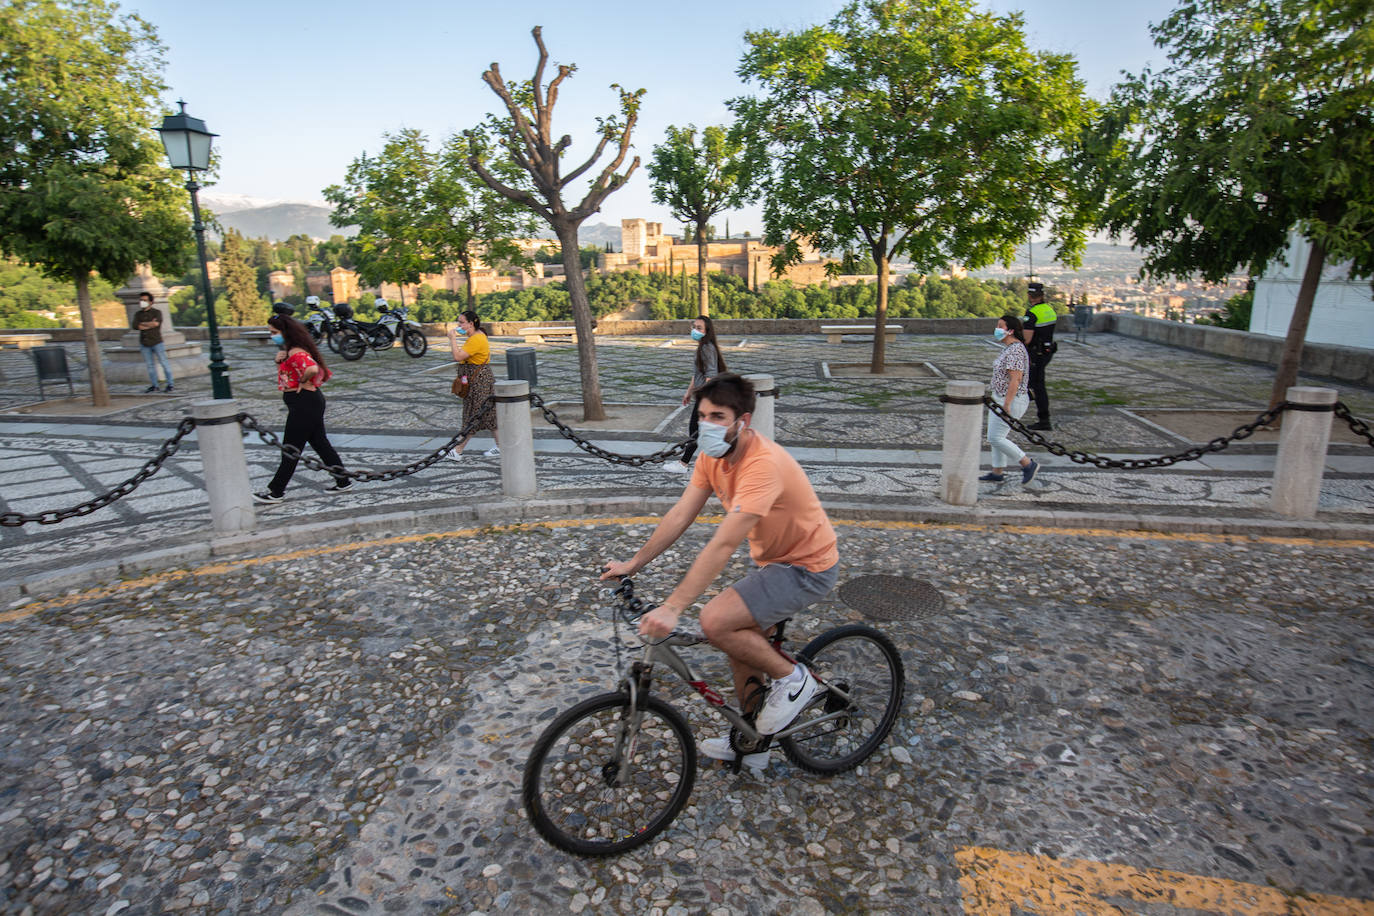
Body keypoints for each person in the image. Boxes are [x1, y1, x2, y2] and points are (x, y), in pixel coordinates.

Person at [601, 373, 839, 768]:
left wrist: (674, 608)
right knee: (739, 641)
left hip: (806, 566)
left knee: (716, 621)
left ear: (741, 422)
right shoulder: (712, 456)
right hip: (770, 560)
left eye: (718, 416)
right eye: (703, 414)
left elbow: (724, 543)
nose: (707, 423)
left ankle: (797, 682)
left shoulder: (763, 465)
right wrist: (633, 563)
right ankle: (753, 742)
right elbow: (681, 514)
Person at [253, 315, 353, 503]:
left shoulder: (296, 352)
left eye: (274, 332)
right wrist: (279, 361)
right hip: (307, 402)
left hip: (304, 403)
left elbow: (312, 369)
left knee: (291, 448)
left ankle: (276, 491)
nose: (272, 336)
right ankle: (343, 481)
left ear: (285, 332)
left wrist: (302, 381)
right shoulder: (289, 351)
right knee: (320, 443)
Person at [981, 314, 1040, 486]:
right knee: (996, 435)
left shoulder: (1015, 350)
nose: (997, 329)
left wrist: (1007, 403)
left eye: (1001, 326)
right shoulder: (1010, 348)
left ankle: (1028, 464)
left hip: (1011, 400)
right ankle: (997, 472)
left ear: (1011, 330)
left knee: (995, 438)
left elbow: (1015, 379)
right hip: (1000, 397)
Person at [664, 315, 727, 474]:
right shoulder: (703, 347)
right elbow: (697, 374)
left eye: (699, 328)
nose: (695, 330)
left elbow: (710, 375)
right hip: (702, 394)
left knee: (695, 430)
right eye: (694, 327)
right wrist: (688, 392)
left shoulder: (707, 348)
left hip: (706, 395)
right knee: (703, 430)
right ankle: (721, 462)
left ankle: (683, 464)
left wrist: (704, 399)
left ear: (707, 331)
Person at [446, 310, 499, 460]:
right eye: (458, 322)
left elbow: (457, 356)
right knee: (489, 415)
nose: (459, 325)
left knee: (474, 414)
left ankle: (458, 450)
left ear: (471, 323)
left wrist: (453, 339)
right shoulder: (475, 337)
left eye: (461, 322)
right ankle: (501, 446)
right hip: (478, 380)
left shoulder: (476, 339)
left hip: (479, 382)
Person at [1022, 281, 1058, 431]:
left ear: (1029, 296)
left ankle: (1044, 419)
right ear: (1042, 295)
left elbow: (1027, 339)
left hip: (1036, 354)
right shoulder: (1050, 310)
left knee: (1035, 386)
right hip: (1047, 352)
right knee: (1035, 384)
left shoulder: (1031, 314)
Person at [133, 291, 174, 393]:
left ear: (151, 302)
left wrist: (144, 324)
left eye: (145, 300)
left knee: (164, 363)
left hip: (157, 342)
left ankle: (170, 384)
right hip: (144, 343)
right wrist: (149, 324)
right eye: (141, 300)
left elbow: (156, 324)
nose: (142, 302)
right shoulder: (138, 314)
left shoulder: (156, 312)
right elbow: (136, 326)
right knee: (150, 366)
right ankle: (154, 385)